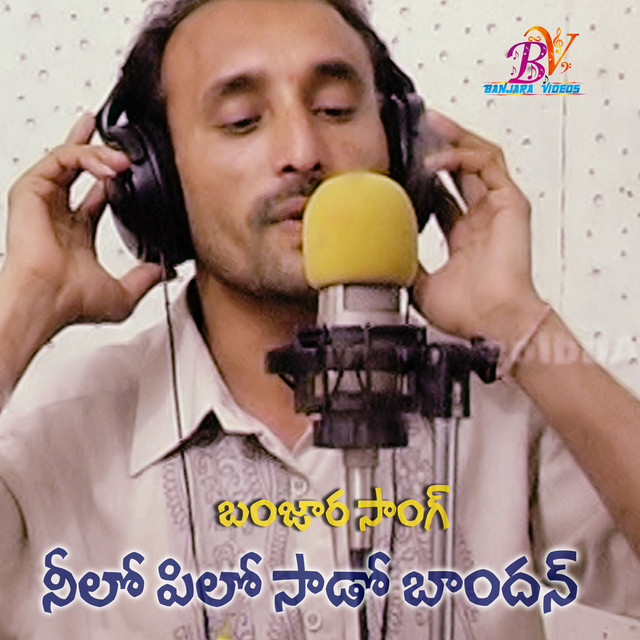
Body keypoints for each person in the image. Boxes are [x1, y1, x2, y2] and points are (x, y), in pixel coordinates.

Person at [0, 0, 639, 638]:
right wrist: (22, 305)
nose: (304, 152)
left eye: (335, 109)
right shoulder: (52, 440)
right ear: (153, 179)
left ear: (402, 147)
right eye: (242, 121)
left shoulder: (505, 404)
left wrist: (517, 319)